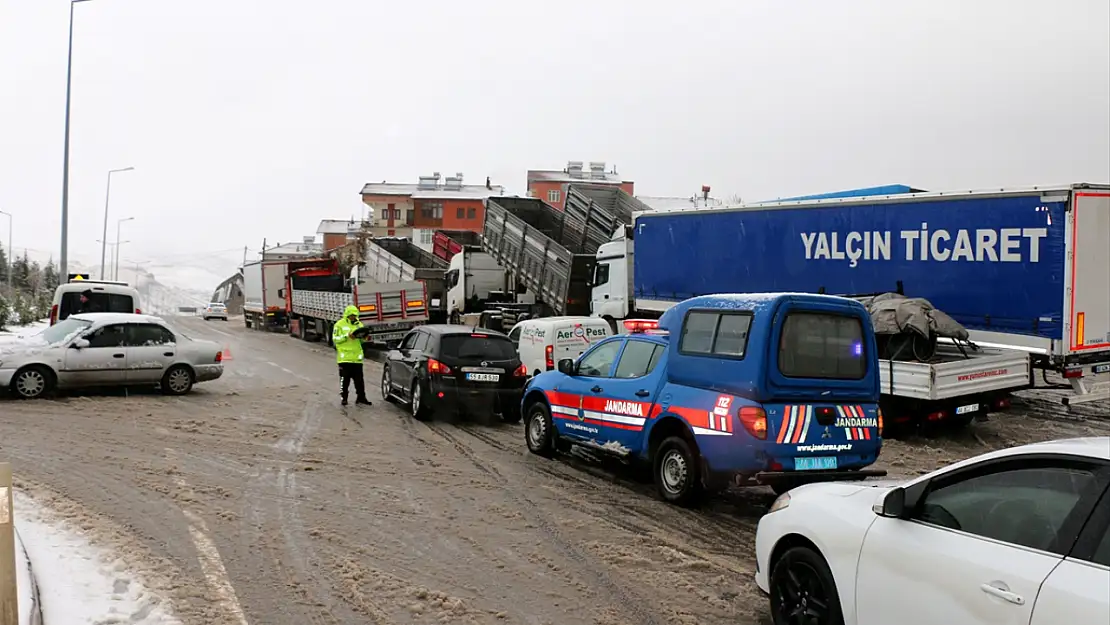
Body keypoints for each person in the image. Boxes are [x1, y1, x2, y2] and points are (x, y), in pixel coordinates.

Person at [333, 305, 371, 406]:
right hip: (344, 358)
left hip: (357, 358)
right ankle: (344, 398)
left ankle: (361, 398)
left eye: (355, 316)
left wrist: (366, 338)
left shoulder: (359, 325)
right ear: (347, 315)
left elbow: (361, 340)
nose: (353, 317)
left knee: (359, 380)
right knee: (344, 381)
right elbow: (335, 339)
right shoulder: (339, 325)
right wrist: (347, 336)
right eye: (351, 316)